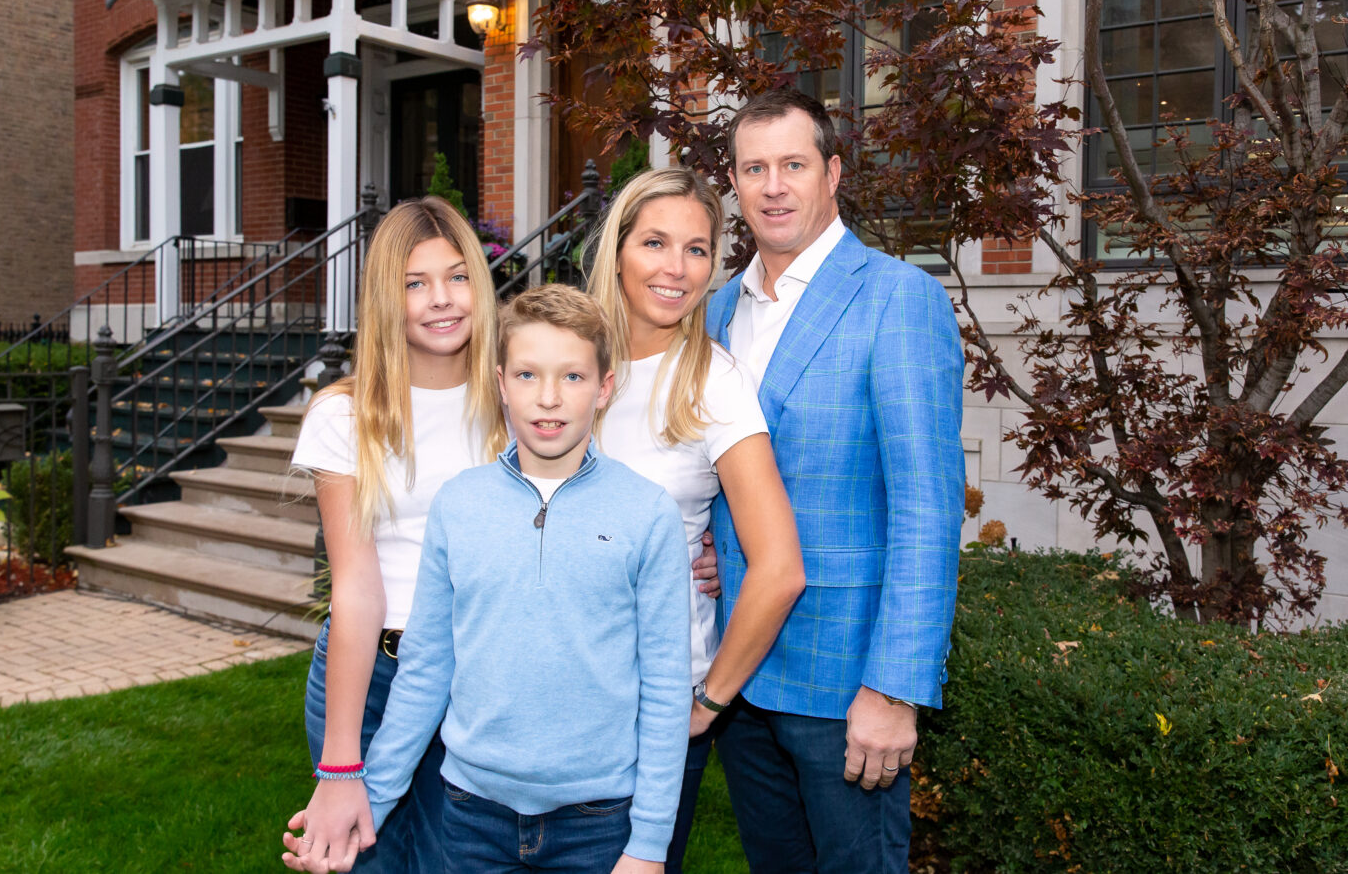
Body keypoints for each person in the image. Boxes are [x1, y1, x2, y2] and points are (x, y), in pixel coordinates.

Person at [284, 284, 692, 874]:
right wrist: (367, 804)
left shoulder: (647, 514)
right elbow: (425, 670)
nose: (548, 398)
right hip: (471, 816)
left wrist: (649, 845)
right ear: (500, 383)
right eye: (527, 375)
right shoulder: (460, 505)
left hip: (599, 820)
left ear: (605, 388)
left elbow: (664, 688)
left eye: (573, 377)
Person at [704, 89, 965, 872]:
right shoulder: (719, 310)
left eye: (794, 164)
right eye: (755, 168)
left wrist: (895, 688)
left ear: (833, 173)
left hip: (846, 683)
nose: (774, 185)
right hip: (739, 679)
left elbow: (927, 508)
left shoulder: (898, 297)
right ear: (735, 183)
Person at [586, 166, 806, 873]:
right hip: (538, 696)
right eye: (654, 242)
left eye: (697, 248)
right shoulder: (560, 359)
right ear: (617, 250)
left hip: (654, 708)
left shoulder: (714, 379)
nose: (676, 269)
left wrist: (706, 702)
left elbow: (778, 569)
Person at [285, 197, 506, 873]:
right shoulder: (344, 415)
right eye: (416, 283)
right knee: (358, 860)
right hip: (371, 676)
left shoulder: (517, 401)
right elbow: (354, 589)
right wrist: (342, 761)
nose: (442, 299)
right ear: (388, 296)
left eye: (457, 275)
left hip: (478, 680)